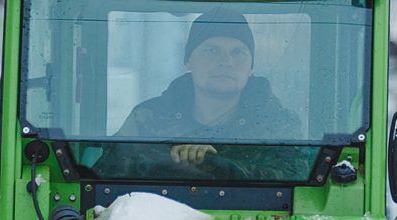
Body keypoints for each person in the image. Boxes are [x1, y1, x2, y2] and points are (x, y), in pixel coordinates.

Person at [116, 10, 299, 167]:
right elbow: (108, 176)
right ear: (188, 61)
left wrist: (217, 166)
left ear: (251, 66)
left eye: (238, 52)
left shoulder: (278, 125)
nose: (226, 62)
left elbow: (295, 179)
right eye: (212, 51)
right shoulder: (147, 119)